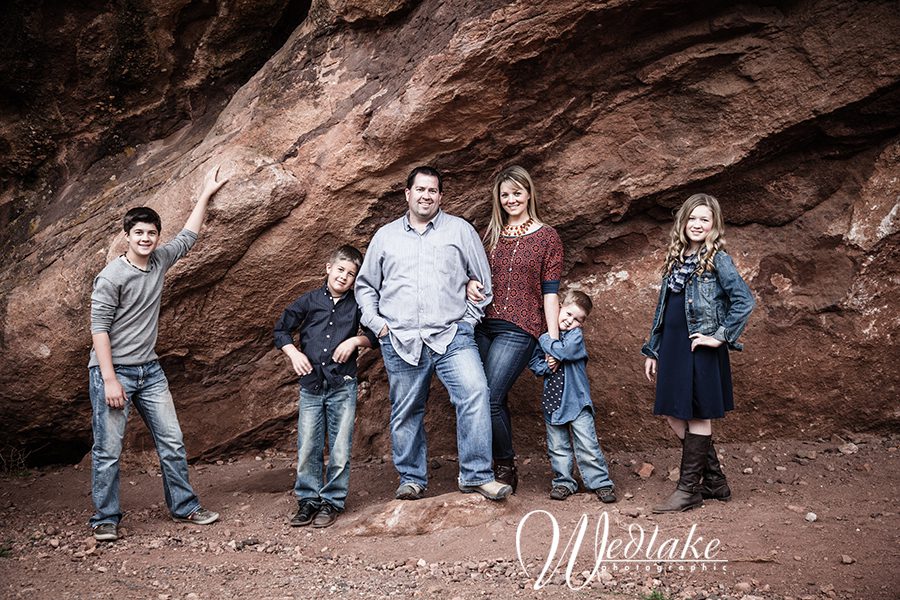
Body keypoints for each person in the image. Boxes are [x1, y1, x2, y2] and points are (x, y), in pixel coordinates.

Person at [355, 165, 511, 501]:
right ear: (407, 194)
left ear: (440, 196)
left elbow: (482, 282)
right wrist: (379, 324)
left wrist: (467, 322)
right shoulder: (385, 236)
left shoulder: (460, 231)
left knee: (475, 393)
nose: (426, 196)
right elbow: (366, 286)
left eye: (433, 191)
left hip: (451, 336)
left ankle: (476, 475)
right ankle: (411, 478)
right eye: (420, 190)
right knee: (406, 410)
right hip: (400, 339)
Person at [88, 166, 228, 542]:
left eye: (151, 233)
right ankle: (105, 517)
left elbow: (189, 237)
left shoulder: (161, 261)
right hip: (113, 370)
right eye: (139, 233)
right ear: (127, 237)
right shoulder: (112, 276)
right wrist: (110, 379)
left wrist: (205, 195)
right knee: (109, 448)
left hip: (150, 371)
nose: (146, 238)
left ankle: (184, 507)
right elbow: (98, 328)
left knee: (172, 440)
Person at [641, 193, 755, 513]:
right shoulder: (676, 257)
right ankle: (715, 481)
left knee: (698, 414)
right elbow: (663, 309)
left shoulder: (717, 258)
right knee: (671, 412)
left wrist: (720, 337)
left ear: (714, 225)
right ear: (683, 222)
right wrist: (654, 348)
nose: (697, 224)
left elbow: (744, 301)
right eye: (692, 218)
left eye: (705, 219)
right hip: (674, 347)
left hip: (699, 348)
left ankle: (688, 489)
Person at [467, 166, 563, 493]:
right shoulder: (489, 234)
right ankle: (487, 465)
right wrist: (469, 284)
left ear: (529, 193)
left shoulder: (547, 237)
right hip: (481, 325)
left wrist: (552, 339)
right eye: (505, 195)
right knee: (488, 396)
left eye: (517, 193)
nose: (511, 200)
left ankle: (505, 464)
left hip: (520, 328)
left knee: (489, 396)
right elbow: (471, 274)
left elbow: (550, 293)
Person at [274, 245, 376, 529]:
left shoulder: (357, 305)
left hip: (342, 384)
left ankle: (331, 501)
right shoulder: (308, 301)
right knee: (308, 444)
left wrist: (355, 341)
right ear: (328, 268)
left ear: (356, 279)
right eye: (340, 270)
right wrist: (294, 353)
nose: (344, 277)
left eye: (351, 274)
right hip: (311, 385)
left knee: (340, 446)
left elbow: (374, 334)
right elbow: (281, 329)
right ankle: (308, 500)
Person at [529, 291, 616, 503]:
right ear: (559, 307)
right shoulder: (550, 335)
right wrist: (547, 366)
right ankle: (563, 482)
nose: (570, 321)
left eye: (577, 320)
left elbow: (565, 352)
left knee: (587, 443)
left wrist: (545, 340)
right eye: (568, 314)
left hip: (577, 400)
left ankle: (600, 483)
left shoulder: (574, 337)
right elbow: (534, 363)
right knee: (557, 446)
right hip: (554, 401)